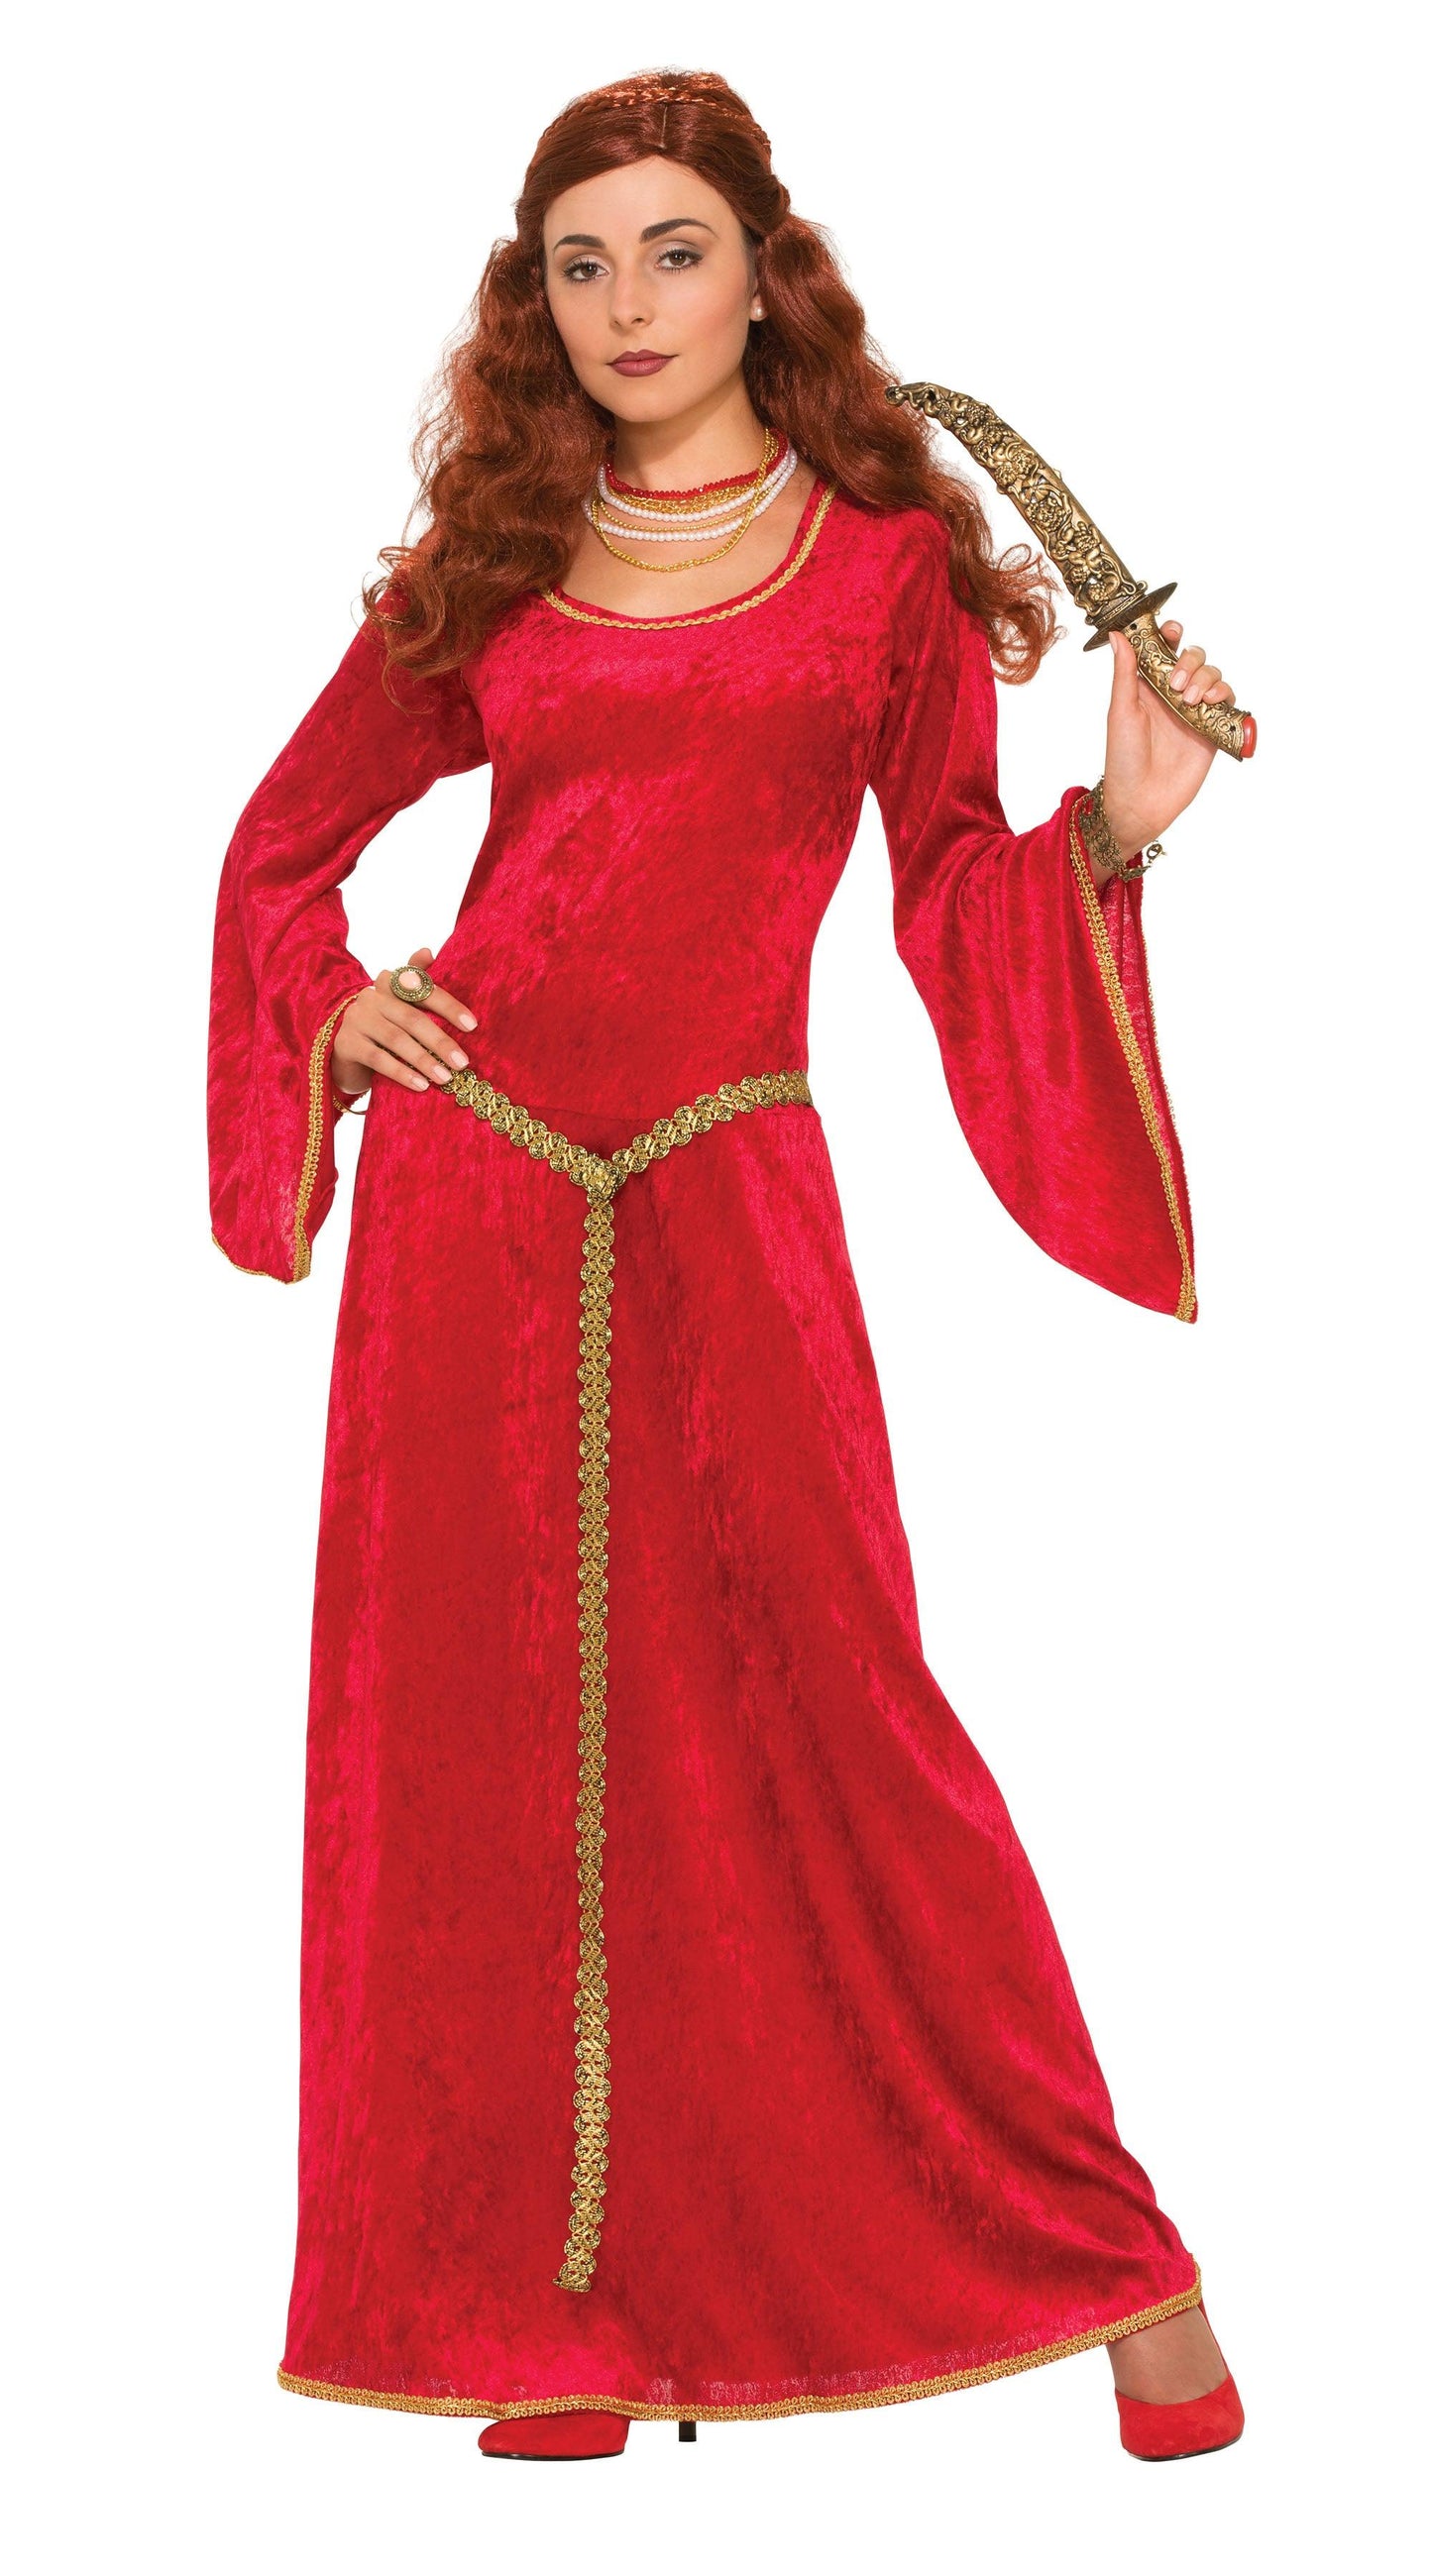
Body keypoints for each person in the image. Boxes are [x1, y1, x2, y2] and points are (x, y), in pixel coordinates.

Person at [207, 68, 1245, 2466]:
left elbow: (950, 890)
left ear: (766, 273)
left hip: (721, 1189)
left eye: (671, 250)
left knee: (844, 1732)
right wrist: (332, 1011)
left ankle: (1124, 2268)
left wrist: (1116, 830)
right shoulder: (496, 556)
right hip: (474, 1197)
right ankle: (551, 2312)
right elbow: (277, 849)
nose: (627, 304)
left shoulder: (883, 565)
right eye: (579, 264)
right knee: (479, 1767)